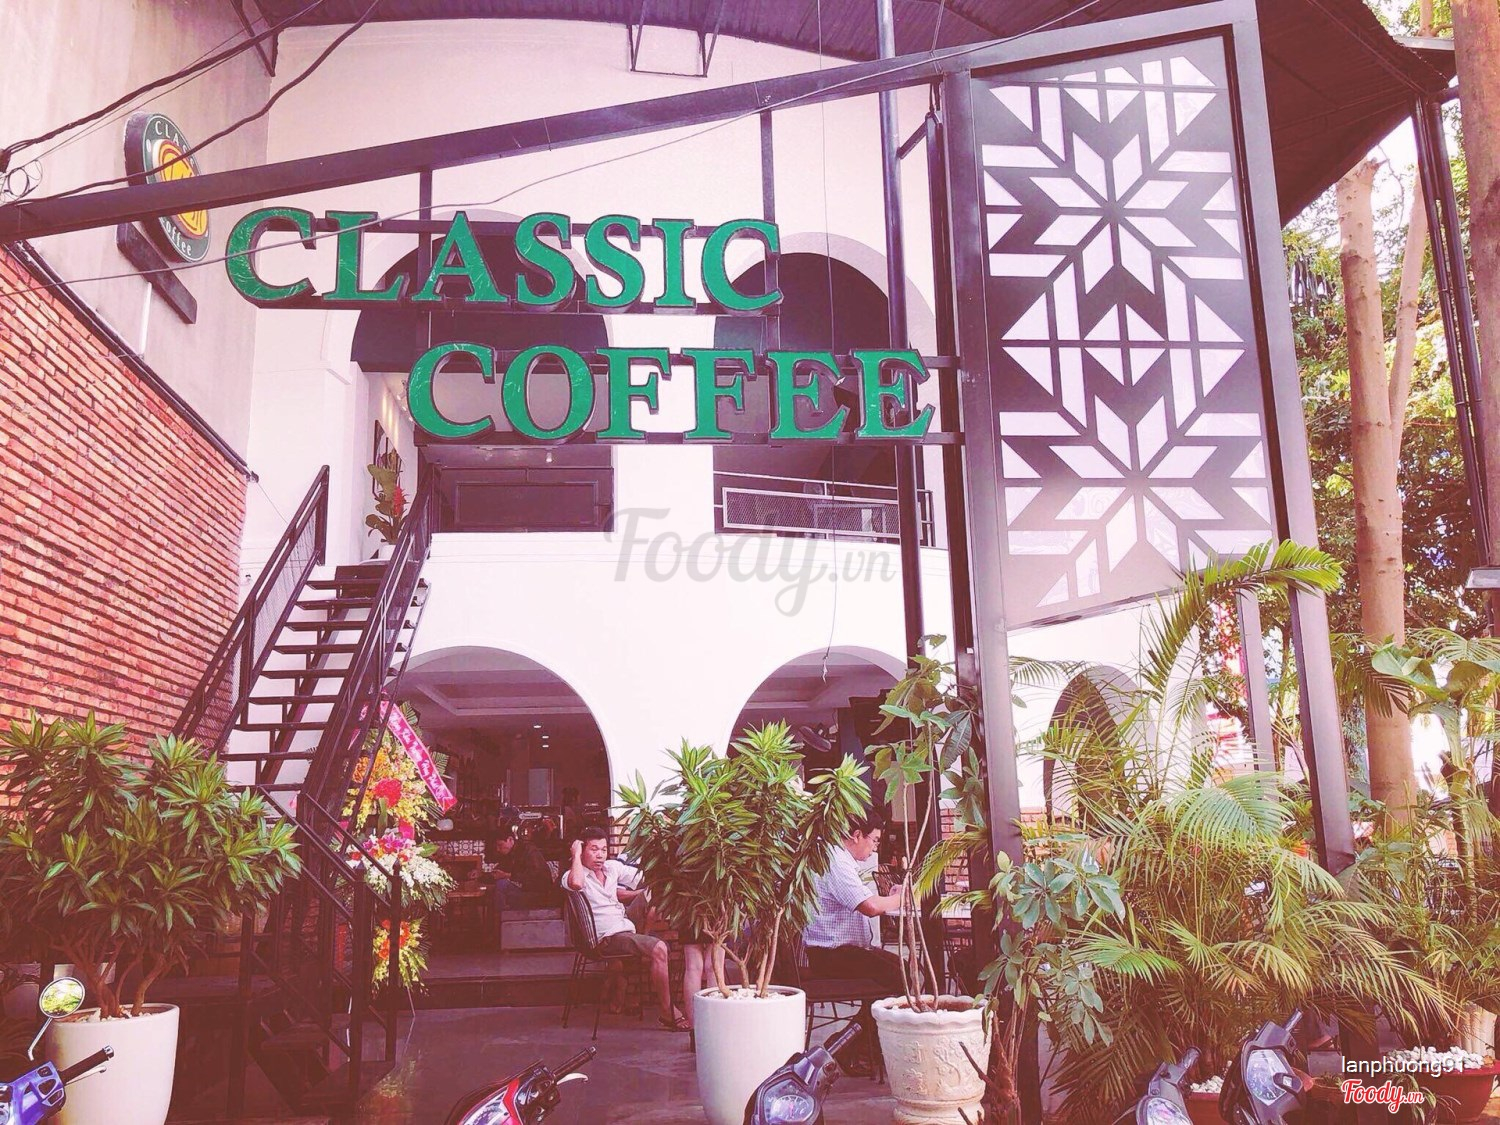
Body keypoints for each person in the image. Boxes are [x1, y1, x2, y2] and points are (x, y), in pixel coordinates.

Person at [804, 812, 907, 1070]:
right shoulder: (836, 861)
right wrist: (902, 898)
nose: (875, 848)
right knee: (904, 977)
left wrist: (890, 898)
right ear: (857, 835)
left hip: (841, 951)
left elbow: (866, 901)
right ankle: (851, 1048)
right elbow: (869, 907)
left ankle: (857, 1047)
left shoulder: (838, 858)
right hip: (833, 954)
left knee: (904, 972)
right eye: (874, 840)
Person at [563, 826, 687, 1031]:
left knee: (653, 891)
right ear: (582, 849)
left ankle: (642, 943)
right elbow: (576, 884)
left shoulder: (611, 868)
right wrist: (575, 854)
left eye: (603, 849)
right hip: (607, 938)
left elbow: (647, 878)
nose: (600, 855)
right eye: (593, 849)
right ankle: (667, 1011)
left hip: (624, 924)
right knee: (660, 948)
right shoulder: (573, 874)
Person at [488, 822, 550, 910]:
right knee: (494, 889)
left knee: (502, 885)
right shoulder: (510, 855)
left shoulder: (529, 850)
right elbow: (497, 872)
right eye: (496, 847)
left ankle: (501, 916)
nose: (498, 849)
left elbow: (535, 876)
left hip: (538, 893)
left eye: (500, 845)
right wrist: (479, 874)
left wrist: (507, 875)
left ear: (510, 840)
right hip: (525, 889)